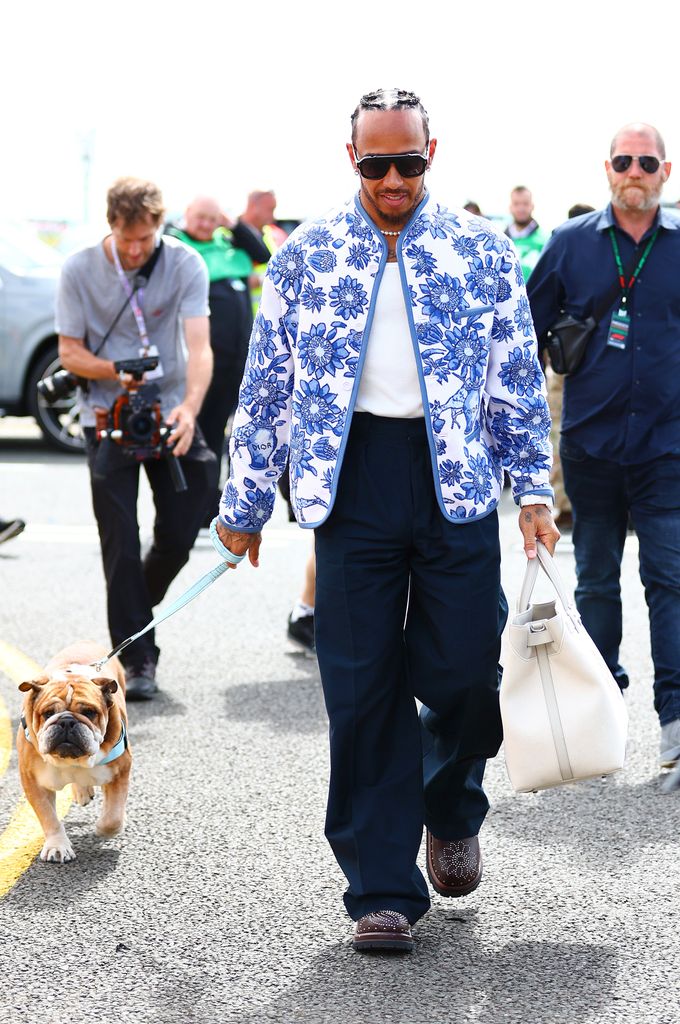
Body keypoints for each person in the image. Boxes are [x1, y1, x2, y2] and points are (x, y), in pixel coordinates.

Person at [214, 87, 558, 952]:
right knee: (361, 691)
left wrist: (535, 494)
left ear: (432, 154)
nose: (394, 178)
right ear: (352, 159)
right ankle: (381, 889)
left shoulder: (482, 252)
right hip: (353, 481)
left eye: (409, 162)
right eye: (377, 164)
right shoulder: (307, 257)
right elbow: (267, 388)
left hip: (457, 480)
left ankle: (449, 807)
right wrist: (246, 504)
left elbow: (516, 374)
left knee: (467, 676)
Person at [527, 123, 680, 772]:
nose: (635, 171)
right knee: (595, 583)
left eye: (648, 161)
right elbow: (520, 344)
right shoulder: (568, 246)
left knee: (670, 580)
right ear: (607, 169)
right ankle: (601, 714)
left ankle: (675, 725)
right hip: (589, 448)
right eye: (625, 160)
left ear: (666, 172)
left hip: (669, 449)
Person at [56, 177, 217, 701]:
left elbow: (200, 347)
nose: (133, 250)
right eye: (125, 240)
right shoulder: (80, 268)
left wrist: (191, 410)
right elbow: (69, 351)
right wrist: (113, 370)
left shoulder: (186, 263)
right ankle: (138, 658)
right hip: (107, 414)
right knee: (120, 541)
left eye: (143, 241)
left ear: (158, 227)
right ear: (112, 225)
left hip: (170, 410)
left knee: (185, 522)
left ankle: (132, 612)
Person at [165, 197, 270, 522]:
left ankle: (214, 502)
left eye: (214, 219)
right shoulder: (177, 246)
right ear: (187, 216)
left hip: (238, 360)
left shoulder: (227, 244)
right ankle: (191, 504)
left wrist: (233, 223)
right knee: (202, 431)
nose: (207, 225)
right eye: (201, 218)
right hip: (203, 362)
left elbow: (263, 255)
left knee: (229, 434)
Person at [505, 186, 547, 282]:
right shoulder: (501, 239)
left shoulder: (545, 239)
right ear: (510, 207)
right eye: (516, 204)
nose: (521, 208)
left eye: (525, 204)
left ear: (532, 206)